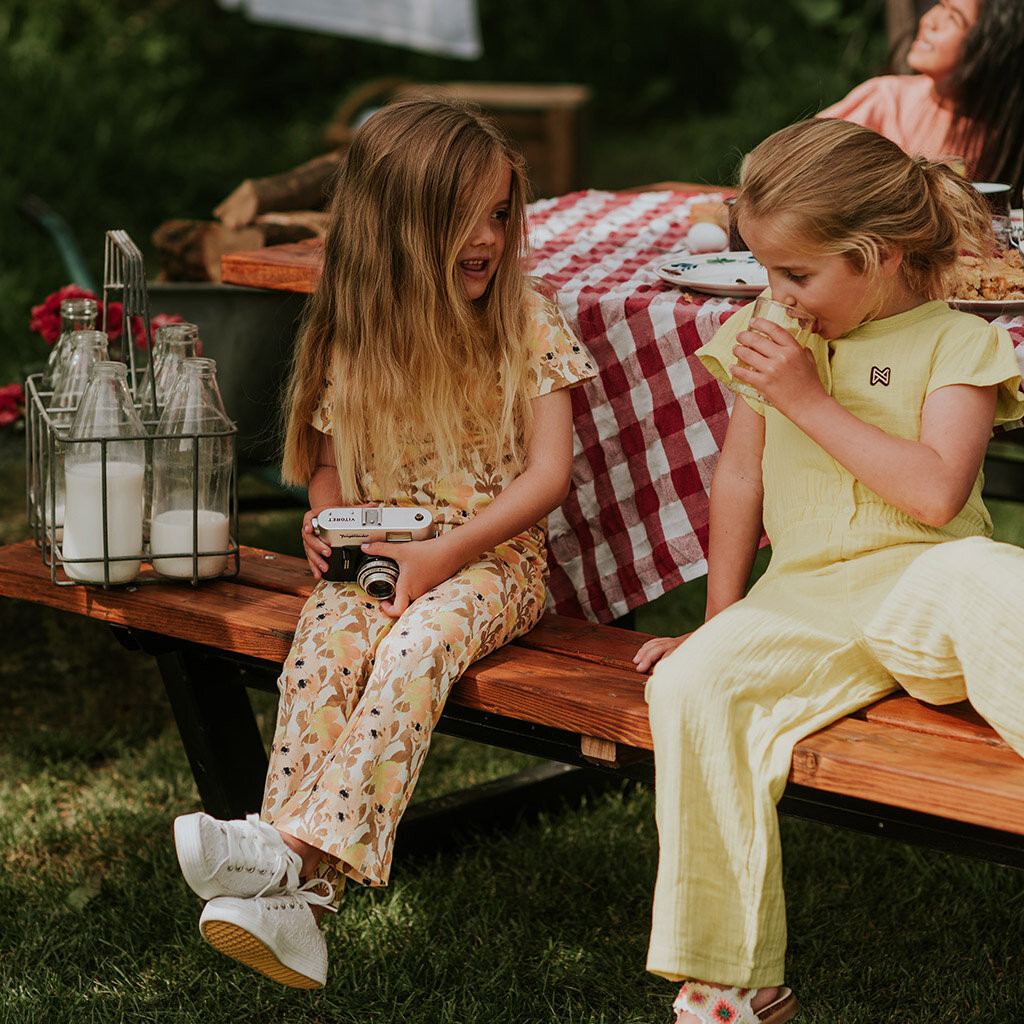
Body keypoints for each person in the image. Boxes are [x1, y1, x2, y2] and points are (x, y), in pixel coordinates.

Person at [170, 97, 595, 989]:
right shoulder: (354, 328)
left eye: (500, 213)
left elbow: (547, 478)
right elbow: (325, 467)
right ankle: (303, 908)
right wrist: (327, 522)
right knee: (326, 642)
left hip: (494, 561)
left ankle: (282, 852)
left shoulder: (527, 318)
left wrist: (443, 557)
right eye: (462, 216)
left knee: (417, 643)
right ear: (397, 225)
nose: (487, 236)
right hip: (384, 545)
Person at [633, 117, 1024, 1024]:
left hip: (922, 578)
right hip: (804, 598)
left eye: (796, 274)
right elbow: (737, 476)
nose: (776, 294)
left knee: (992, 578)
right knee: (692, 686)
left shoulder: (956, 345)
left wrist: (805, 396)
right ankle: (734, 984)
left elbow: (934, 496)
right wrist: (719, 615)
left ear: (878, 257)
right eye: (766, 271)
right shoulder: (765, 339)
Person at [818, 0, 1024, 195]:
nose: (928, 20)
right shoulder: (886, 99)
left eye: (953, 18)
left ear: (991, 48)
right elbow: (806, 165)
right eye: (940, 5)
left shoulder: (1004, 135)